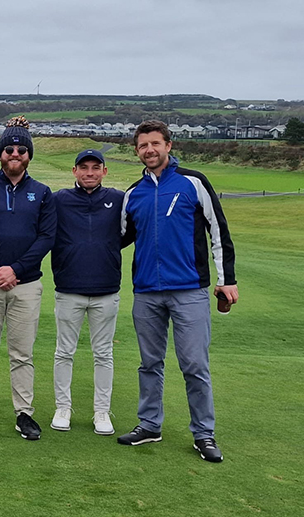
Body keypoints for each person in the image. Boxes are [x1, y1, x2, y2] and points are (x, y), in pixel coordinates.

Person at [118, 120, 238, 463]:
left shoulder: (193, 182)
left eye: (155, 144)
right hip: (146, 292)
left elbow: (219, 232)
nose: (149, 150)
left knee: (194, 364)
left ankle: (203, 433)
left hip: (190, 291)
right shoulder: (133, 193)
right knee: (149, 364)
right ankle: (149, 424)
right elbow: (118, 238)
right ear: (137, 150)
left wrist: (226, 279)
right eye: (143, 146)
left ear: (168, 145)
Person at [0, 116, 56, 439]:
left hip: (26, 284)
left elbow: (46, 237)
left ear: (29, 155)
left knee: (22, 353)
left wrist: (15, 269)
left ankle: (24, 413)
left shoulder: (43, 193)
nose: (14, 154)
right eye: (9, 149)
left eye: (21, 149)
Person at [50, 149, 124, 436]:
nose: (90, 172)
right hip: (69, 288)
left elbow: (126, 233)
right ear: (74, 171)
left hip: (106, 289)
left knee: (103, 354)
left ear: (104, 171)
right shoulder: (59, 200)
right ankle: (62, 407)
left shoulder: (118, 199)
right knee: (64, 352)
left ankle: (102, 412)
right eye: (84, 168)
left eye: (96, 167)